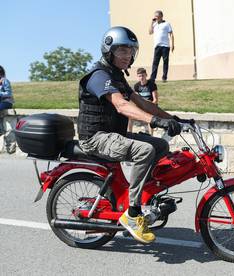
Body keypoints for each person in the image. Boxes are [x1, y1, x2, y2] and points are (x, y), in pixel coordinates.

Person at [77, 26, 186, 244]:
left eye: (130, 51)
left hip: (113, 135)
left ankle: (146, 194)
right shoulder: (99, 76)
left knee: (160, 146)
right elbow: (121, 105)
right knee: (144, 150)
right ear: (109, 50)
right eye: (122, 51)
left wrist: (174, 119)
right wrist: (154, 121)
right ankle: (133, 214)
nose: (128, 56)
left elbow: (144, 103)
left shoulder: (118, 77)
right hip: (95, 138)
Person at [128, 67, 158, 135]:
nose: (141, 77)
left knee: (150, 118)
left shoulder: (152, 85)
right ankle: (129, 133)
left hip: (151, 105)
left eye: (143, 75)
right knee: (130, 115)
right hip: (142, 105)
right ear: (137, 77)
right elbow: (136, 99)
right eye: (139, 76)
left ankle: (151, 135)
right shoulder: (136, 86)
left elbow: (155, 100)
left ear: (146, 75)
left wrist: (149, 107)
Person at [149, 10, 174, 82]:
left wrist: (172, 44)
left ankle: (164, 77)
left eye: (157, 16)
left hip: (165, 46)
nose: (155, 17)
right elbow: (150, 32)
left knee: (165, 62)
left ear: (161, 16)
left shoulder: (167, 24)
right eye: (155, 16)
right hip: (157, 46)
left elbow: (171, 34)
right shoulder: (154, 24)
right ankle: (152, 78)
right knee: (155, 62)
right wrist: (151, 22)